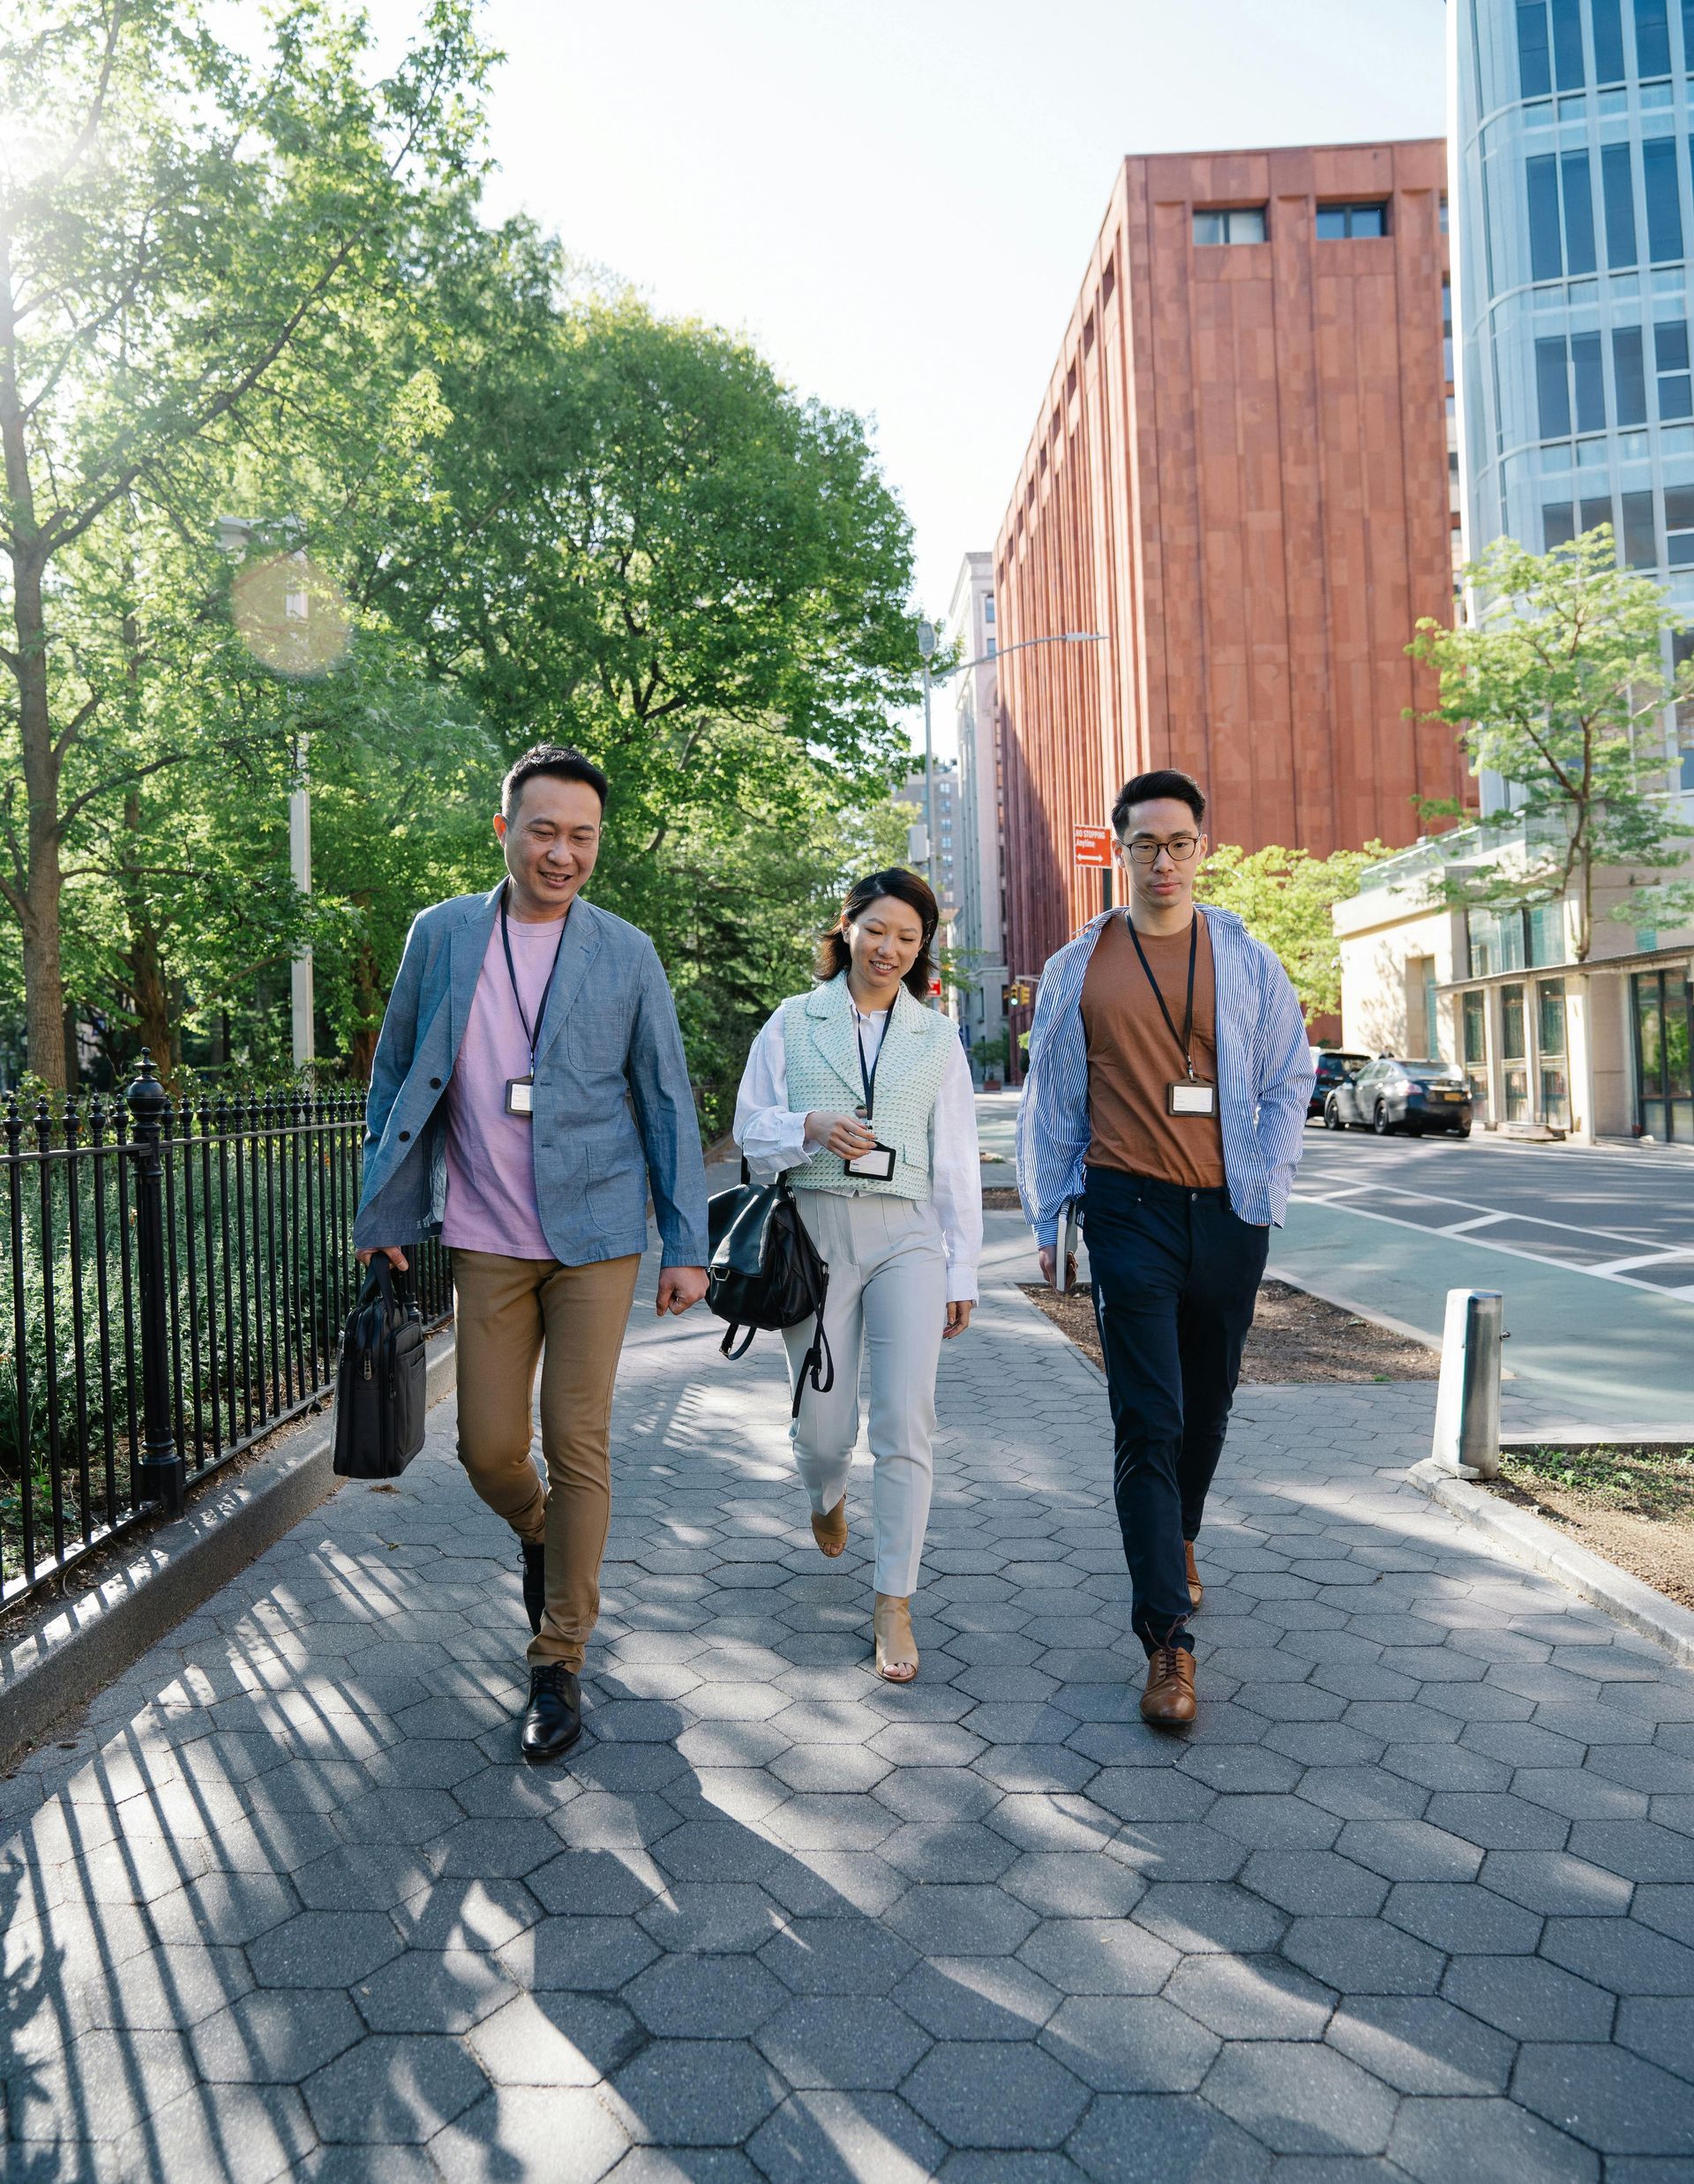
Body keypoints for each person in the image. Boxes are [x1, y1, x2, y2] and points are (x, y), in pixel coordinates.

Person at [355, 744, 709, 1765]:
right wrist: (383, 1210)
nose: (563, 852)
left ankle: (558, 1660)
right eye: (545, 830)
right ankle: (542, 1534)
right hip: (483, 1235)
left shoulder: (627, 952)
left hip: (597, 1234)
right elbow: (393, 1080)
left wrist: (684, 1241)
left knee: (579, 1437)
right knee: (488, 1449)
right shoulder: (445, 935)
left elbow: (668, 1101)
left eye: (583, 836)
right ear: (505, 830)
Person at [1016, 769, 1313, 1729]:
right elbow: (1052, 1100)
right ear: (1118, 851)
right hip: (1126, 1207)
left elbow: (1287, 1073)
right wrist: (1048, 1216)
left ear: (1202, 848)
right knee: (1147, 1416)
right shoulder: (1078, 966)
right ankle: (1167, 1643)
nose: (1164, 861)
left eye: (1180, 842)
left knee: (1208, 1401)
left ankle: (1180, 1534)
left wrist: (1263, 1184)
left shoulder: (1246, 958)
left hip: (1227, 1212)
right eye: (1145, 844)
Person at [734, 869, 981, 1682]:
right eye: (878, 930)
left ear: (921, 950)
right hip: (814, 1237)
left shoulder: (937, 1038)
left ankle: (893, 1601)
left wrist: (963, 1269)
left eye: (909, 938)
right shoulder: (790, 1021)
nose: (890, 949)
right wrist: (808, 1125)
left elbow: (955, 1163)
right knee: (825, 1430)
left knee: (907, 1419)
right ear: (848, 928)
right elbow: (749, 1129)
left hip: (908, 1238)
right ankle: (825, 1492)